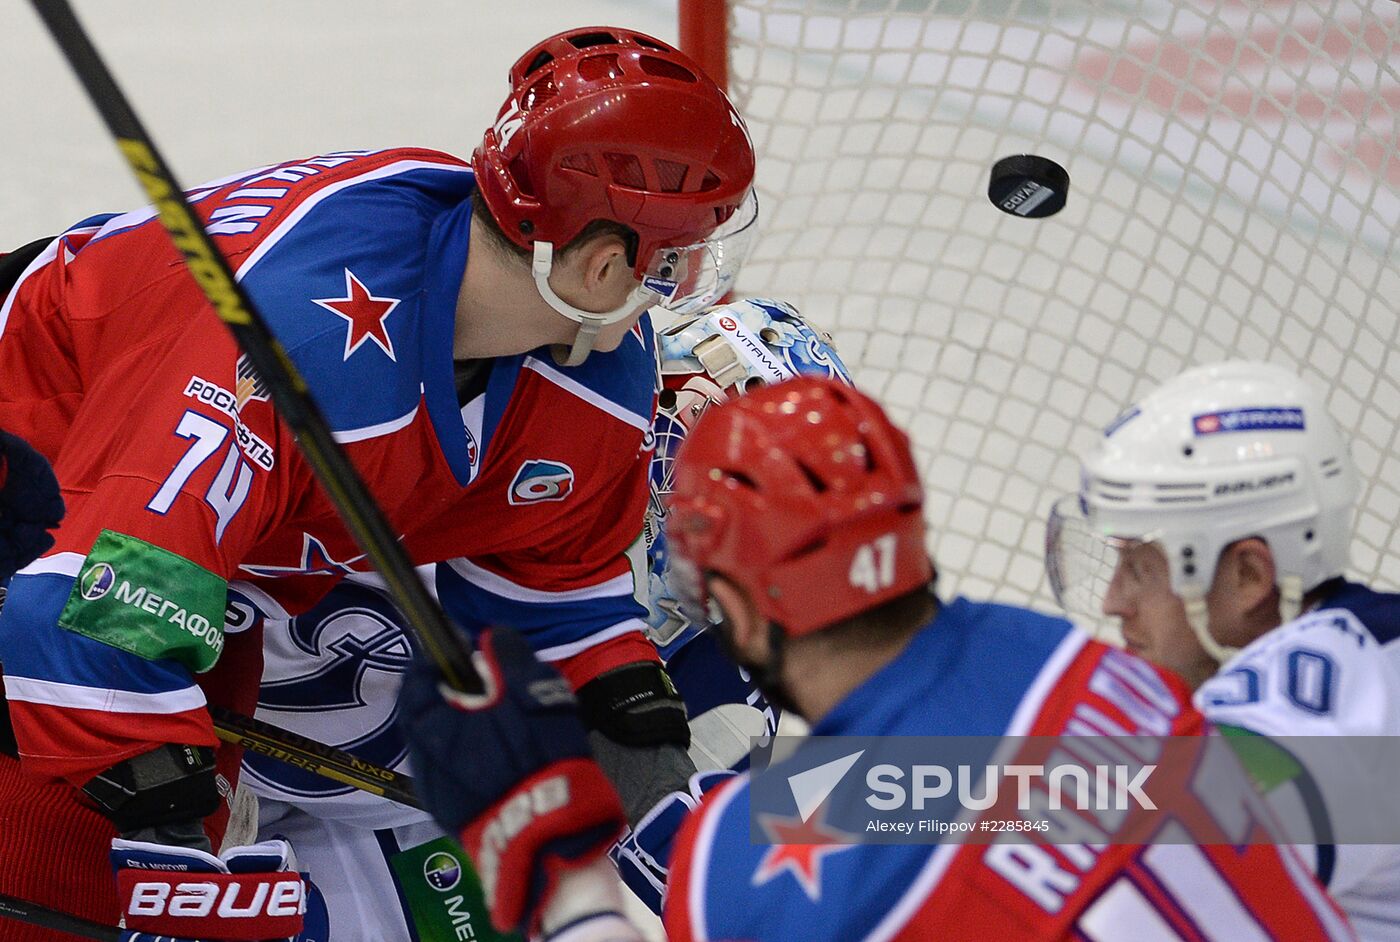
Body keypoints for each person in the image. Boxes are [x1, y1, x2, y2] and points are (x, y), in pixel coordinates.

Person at [0, 26, 754, 941]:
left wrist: (659, 784)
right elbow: (90, 609)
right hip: (39, 481)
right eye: (671, 261)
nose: (673, 290)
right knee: (68, 856)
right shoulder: (292, 350)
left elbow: (561, 602)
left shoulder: (592, 377)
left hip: (200, 578)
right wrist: (169, 836)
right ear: (601, 264)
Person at [398, 376, 1351, 941]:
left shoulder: (744, 873)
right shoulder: (1080, 665)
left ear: (736, 609)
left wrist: (564, 877)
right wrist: (659, 803)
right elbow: (933, 794)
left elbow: (849, 839)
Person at [241, 298, 849, 941]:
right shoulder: (500, 425)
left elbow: (751, 855)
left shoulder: (716, 665)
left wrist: (927, 802)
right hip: (205, 708)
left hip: (394, 817)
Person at [1047, 360, 1400, 941]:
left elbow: (1148, 886)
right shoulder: (1367, 651)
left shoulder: (1323, 703)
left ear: (1248, 576)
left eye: (1139, 567)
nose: (1113, 602)